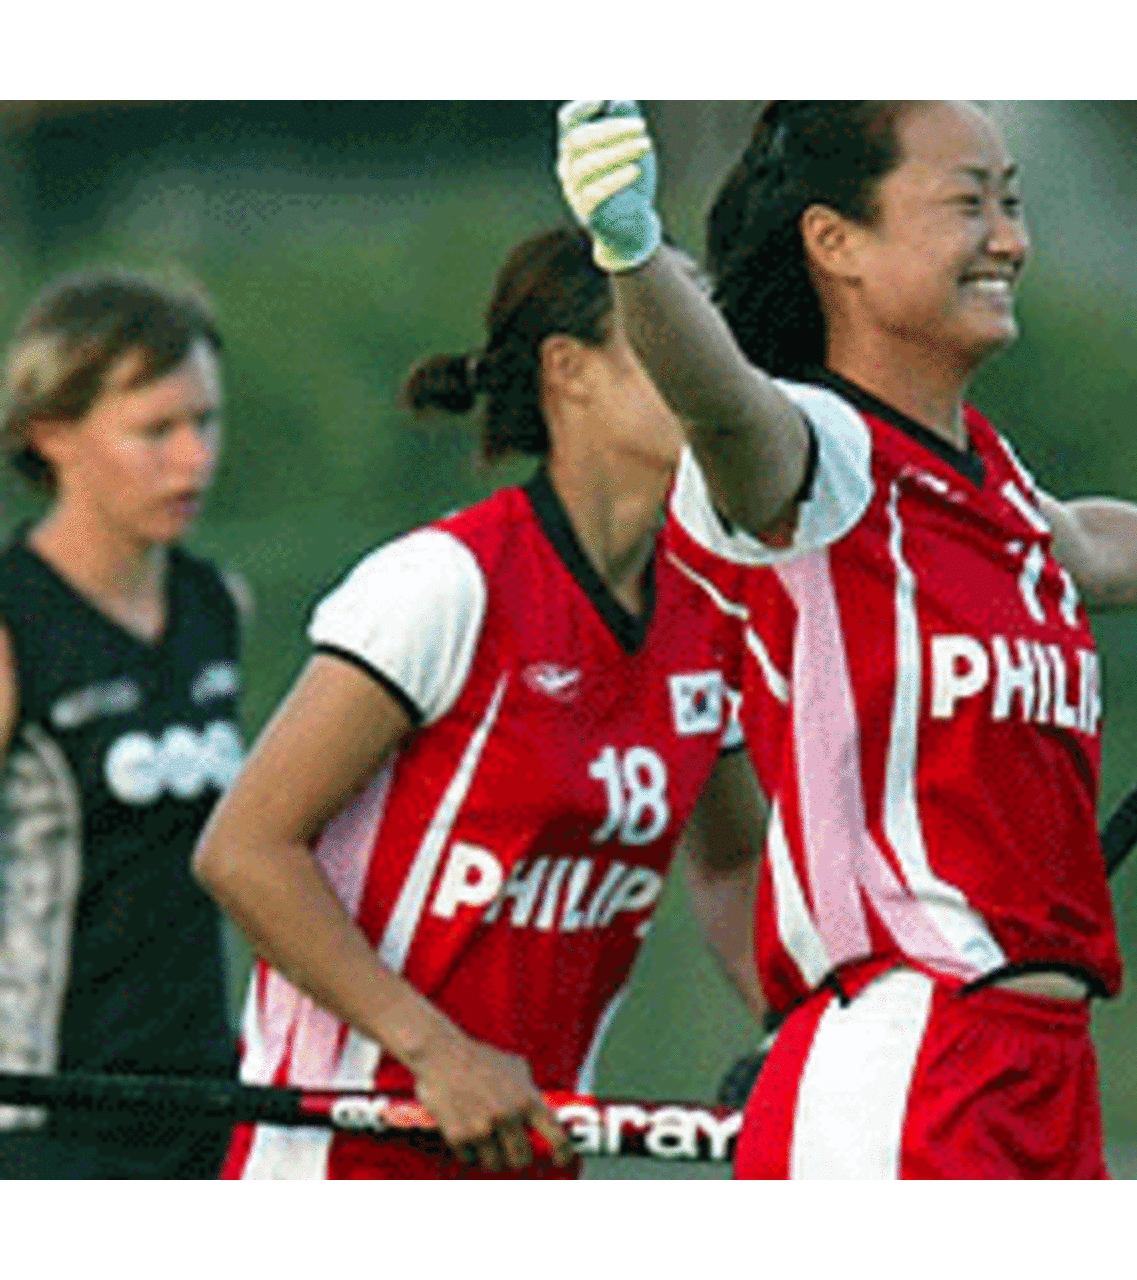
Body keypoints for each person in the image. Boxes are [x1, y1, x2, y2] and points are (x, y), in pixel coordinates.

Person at [555, 99, 1137, 1179]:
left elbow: (1086, 546)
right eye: (969, 204)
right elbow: (720, 405)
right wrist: (630, 246)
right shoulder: (814, 457)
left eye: (1014, 203)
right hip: (907, 1068)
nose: (1009, 241)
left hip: (1042, 1070)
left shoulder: (989, 478)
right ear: (835, 242)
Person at [192, 226, 765, 1180]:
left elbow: (733, 862)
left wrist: (799, 1033)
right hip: (345, 1157)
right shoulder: (445, 584)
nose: (714, 363)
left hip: (530, 1154)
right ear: (568, 369)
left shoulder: (713, 606)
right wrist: (436, 1051)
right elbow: (244, 851)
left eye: (715, 332)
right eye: (670, 331)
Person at [0, 271, 243, 1179]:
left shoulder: (217, 603)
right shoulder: (15, 622)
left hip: (207, 1105)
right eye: (156, 431)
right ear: (52, 434)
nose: (194, 459)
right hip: (48, 1119)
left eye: (206, 422)